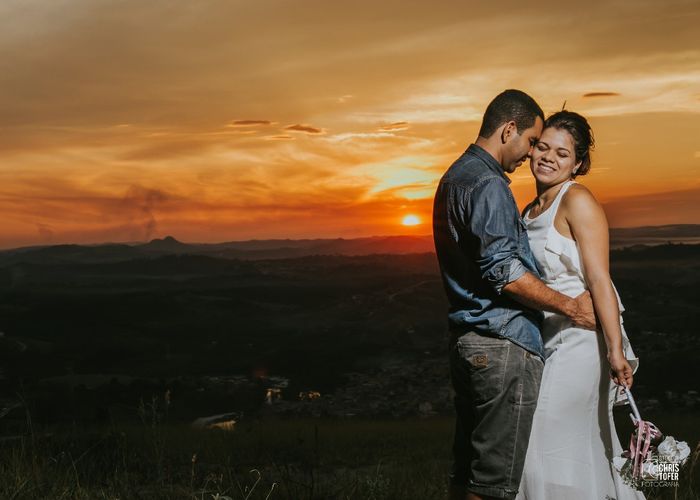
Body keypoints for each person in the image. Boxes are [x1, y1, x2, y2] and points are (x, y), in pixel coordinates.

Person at [432, 90, 597, 500]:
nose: (530, 155)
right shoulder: (489, 184)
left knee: (467, 471)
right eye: (531, 142)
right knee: (492, 482)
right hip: (502, 344)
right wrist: (570, 306)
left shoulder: (455, 176)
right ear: (509, 130)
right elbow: (504, 271)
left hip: (467, 340)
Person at [515, 111, 644, 499]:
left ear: (578, 163)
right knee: (581, 447)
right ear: (532, 148)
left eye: (562, 153)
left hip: (582, 343)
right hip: (548, 341)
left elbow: (600, 279)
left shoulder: (578, 200)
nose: (549, 157)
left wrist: (616, 351)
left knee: (542, 442)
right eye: (543, 147)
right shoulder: (529, 210)